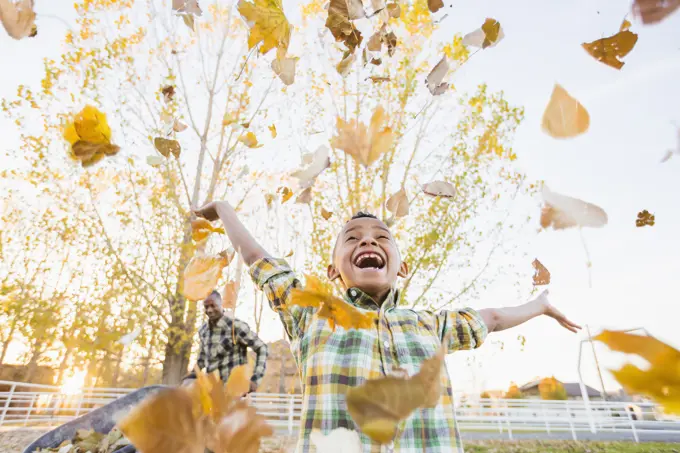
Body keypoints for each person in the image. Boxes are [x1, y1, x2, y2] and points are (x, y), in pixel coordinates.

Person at [194, 201, 581, 452]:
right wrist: (223, 209)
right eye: (353, 238)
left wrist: (539, 304)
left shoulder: (430, 324)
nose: (368, 241)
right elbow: (259, 257)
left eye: (382, 238)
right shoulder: (311, 314)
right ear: (333, 271)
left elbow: (492, 319)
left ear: (402, 266)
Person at [183, 290, 268, 393]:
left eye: (213, 306)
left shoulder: (235, 327)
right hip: (212, 391)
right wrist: (191, 376)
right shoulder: (203, 330)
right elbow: (202, 359)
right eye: (206, 307)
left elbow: (262, 348)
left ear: (221, 305)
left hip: (235, 392)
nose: (209, 310)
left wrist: (256, 379)